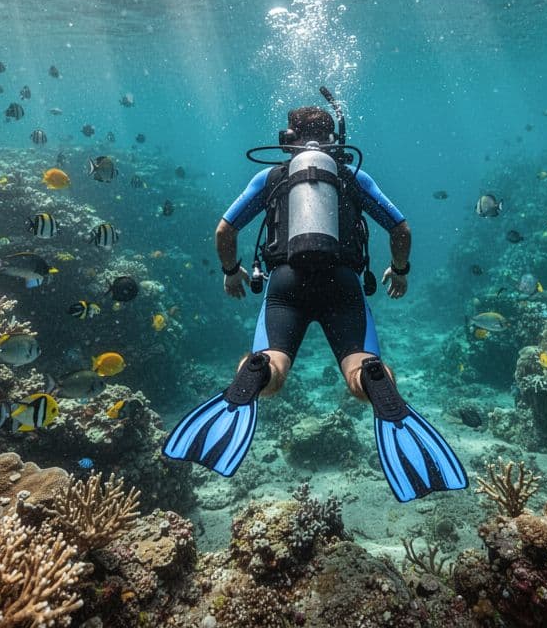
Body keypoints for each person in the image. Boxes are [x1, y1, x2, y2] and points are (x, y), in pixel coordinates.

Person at [162, 104, 467, 502]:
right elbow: (400, 227)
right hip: (341, 282)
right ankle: (373, 379)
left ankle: (256, 371)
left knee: (273, 366)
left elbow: (225, 229)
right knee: (359, 365)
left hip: (286, 282)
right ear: (335, 139)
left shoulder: (270, 176)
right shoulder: (352, 175)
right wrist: (401, 269)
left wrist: (231, 270)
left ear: (287, 138)